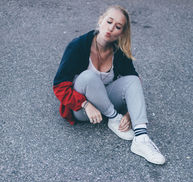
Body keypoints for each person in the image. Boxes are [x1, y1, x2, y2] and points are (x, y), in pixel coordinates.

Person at [53, 5, 165, 165]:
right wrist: (84, 104)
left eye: (117, 26)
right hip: (83, 110)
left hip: (107, 103)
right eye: (109, 21)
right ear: (100, 21)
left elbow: (132, 82)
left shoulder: (119, 51)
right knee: (88, 77)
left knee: (134, 79)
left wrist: (128, 113)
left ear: (121, 33)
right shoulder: (78, 46)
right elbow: (59, 86)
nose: (111, 28)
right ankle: (113, 117)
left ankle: (141, 139)